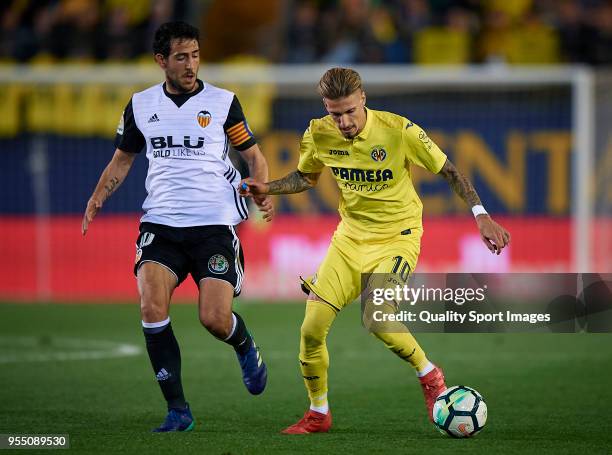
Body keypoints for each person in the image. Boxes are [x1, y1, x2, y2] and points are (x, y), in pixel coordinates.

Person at [239, 67, 510, 434]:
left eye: (350, 111)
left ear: (363, 98)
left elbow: (448, 171)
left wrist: (481, 215)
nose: (345, 121)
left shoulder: (398, 130)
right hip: (349, 240)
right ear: (326, 108)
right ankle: (319, 413)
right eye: (336, 113)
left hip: (398, 236)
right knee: (311, 329)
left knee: (378, 314)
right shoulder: (318, 133)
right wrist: (267, 188)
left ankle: (429, 375)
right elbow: (306, 177)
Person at [82, 21, 273, 433]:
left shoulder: (223, 103)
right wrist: (98, 197)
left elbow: (254, 156)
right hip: (161, 224)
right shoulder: (140, 105)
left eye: (196, 55)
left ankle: (243, 343)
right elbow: (122, 160)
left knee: (214, 320)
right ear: (161, 61)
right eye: (182, 57)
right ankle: (178, 410)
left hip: (214, 226)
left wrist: (262, 187)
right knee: (151, 308)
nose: (191, 65)